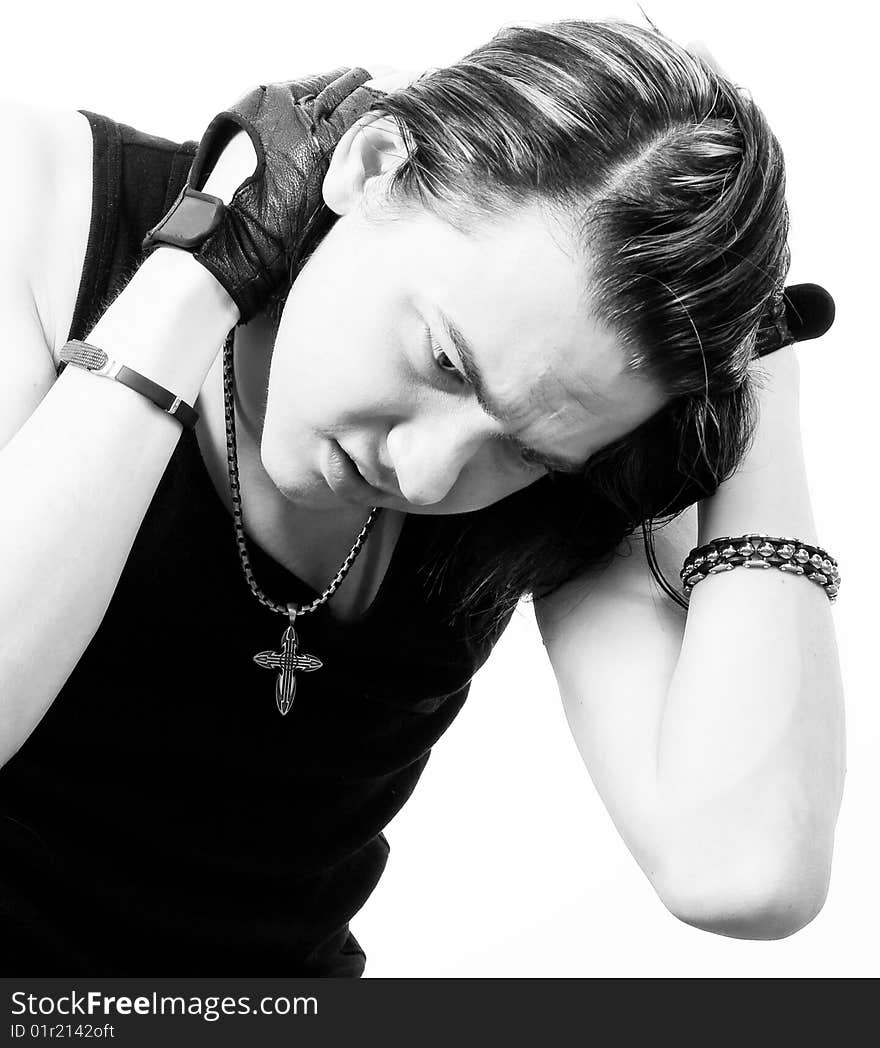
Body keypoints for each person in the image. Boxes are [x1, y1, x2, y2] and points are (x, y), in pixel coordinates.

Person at [0, 17, 844, 975]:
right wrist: (198, 269)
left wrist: (754, 381)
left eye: (526, 454)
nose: (432, 475)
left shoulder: (593, 416)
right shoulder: (35, 199)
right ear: (372, 166)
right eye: (445, 360)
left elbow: (742, 869)